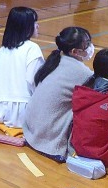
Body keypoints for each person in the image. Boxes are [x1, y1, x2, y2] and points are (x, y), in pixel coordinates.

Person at [23, 26, 94, 162]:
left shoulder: (56, 60)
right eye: (87, 44)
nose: (90, 47)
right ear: (75, 51)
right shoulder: (82, 72)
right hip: (48, 138)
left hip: (31, 129)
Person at [0, 7, 44, 128]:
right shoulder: (32, 48)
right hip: (22, 114)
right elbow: (34, 82)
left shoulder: (1, 51)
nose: (37, 25)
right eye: (34, 22)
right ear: (25, 26)